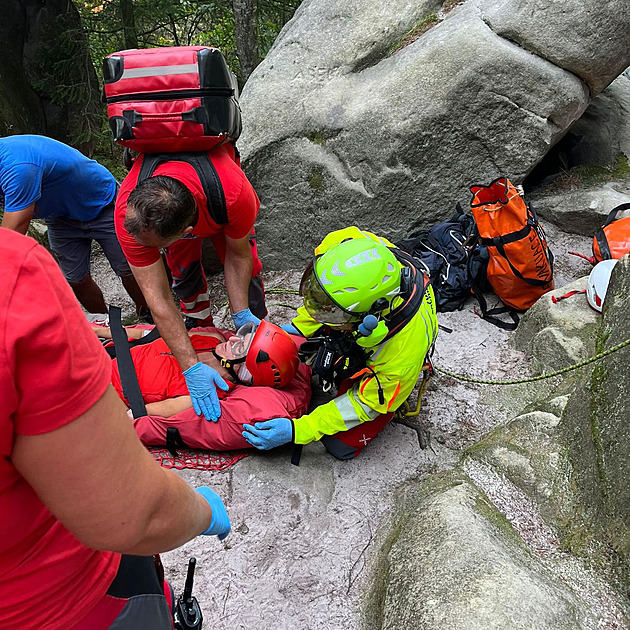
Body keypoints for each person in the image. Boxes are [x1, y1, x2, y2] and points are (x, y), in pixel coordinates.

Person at [0, 227, 230, 630]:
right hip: (60, 598)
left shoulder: (215, 390)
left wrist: (123, 419)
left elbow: (152, 413)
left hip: (100, 393)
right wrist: (96, 331)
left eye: (242, 351)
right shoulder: (202, 340)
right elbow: (144, 334)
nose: (235, 344)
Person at [243, 227, 439, 459]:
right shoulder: (344, 245)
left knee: (340, 445)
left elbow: (365, 404)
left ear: (371, 317)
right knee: (320, 329)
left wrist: (301, 429)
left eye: (333, 314)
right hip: (361, 321)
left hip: (388, 368)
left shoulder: (401, 355)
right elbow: (322, 295)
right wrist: (300, 328)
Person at [115, 143, 265, 423]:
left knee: (250, 275)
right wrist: (190, 367)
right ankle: (198, 326)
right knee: (182, 272)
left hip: (216, 200)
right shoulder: (129, 217)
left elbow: (238, 253)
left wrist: (242, 314)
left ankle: (255, 335)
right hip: (179, 216)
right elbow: (157, 298)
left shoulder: (234, 194)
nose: (139, 246)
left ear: (187, 232)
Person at [95, 321, 312, 452]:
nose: (233, 338)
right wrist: (97, 331)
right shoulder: (211, 339)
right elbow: (151, 336)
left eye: (240, 347)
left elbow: (137, 415)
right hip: (100, 355)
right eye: (242, 335)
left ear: (246, 371)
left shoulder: (204, 395)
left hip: (98, 390)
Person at [0, 134, 146, 316]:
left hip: (102, 203)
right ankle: (106, 324)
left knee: (129, 269)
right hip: (60, 216)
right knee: (77, 280)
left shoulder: (17, 168)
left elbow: (9, 241)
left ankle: (148, 316)